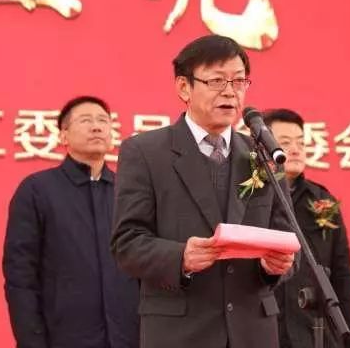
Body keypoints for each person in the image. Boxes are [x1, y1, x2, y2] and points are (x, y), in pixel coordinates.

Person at [111, 34, 295, 348]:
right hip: (179, 333)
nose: (230, 91)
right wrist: (180, 256)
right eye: (217, 81)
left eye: (239, 81)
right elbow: (126, 243)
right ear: (184, 87)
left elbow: (289, 239)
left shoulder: (263, 155)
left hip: (253, 333)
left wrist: (274, 267)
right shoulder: (145, 152)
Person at [3, 96, 139, 348]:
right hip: (63, 338)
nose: (96, 127)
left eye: (103, 121)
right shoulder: (37, 190)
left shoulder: (129, 191)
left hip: (127, 337)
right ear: (63, 136)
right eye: (86, 120)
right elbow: (20, 276)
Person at [264, 108, 350, 348]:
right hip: (266, 329)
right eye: (285, 142)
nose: (296, 149)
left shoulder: (322, 200)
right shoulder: (251, 197)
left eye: (301, 142)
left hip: (316, 332)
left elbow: (343, 277)